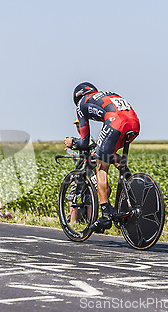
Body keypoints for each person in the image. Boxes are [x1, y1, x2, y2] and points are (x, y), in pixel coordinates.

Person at [64, 82, 140, 232]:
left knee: (101, 166)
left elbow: (84, 141)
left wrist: (73, 142)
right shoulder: (106, 94)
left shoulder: (82, 104)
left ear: (77, 97)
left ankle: (105, 213)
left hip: (115, 122)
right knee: (108, 155)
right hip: (134, 123)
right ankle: (130, 184)